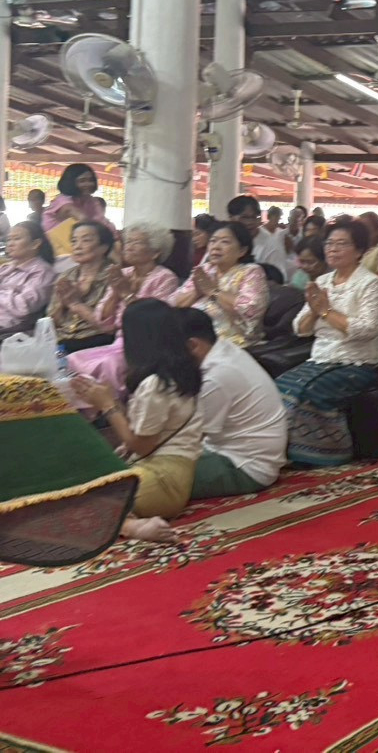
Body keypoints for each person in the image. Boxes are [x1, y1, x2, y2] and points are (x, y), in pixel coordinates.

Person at [75, 300, 204, 542]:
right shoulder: (179, 372)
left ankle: (130, 526)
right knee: (75, 489)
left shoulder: (156, 383)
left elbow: (141, 445)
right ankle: (129, 520)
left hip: (161, 480)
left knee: (73, 502)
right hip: (169, 477)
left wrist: (108, 406)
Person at [274, 221, 378, 466]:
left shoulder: (370, 283)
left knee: (310, 393)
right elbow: (300, 329)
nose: (333, 249)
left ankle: (323, 457)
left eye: (341, 244)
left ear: (359, 250)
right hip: (322, 357)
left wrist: (326, 311)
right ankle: (284, 453)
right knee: (279, 386)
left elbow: (368, 329)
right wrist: (315, 311)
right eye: (329, 244)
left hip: (359, 361)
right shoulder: (323, 282)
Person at [179, 307, 287, 498]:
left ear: (192, 345)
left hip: (243, 467)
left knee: (149, 481)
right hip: (234, 453)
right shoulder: (223, 348)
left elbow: (189, 438)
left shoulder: (216, 375)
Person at [66, 222, 181, 396]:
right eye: (128, 242)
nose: (128, 246)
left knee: (110, 364)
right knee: (73, 359)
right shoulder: (123, 273)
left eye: (137, 242)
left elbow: (152, 320)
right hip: (119, 342)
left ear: (155, 252)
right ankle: (85, 411)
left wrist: (127, 294)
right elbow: (103, 321)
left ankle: (112, 409)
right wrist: (115, 293)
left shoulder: (165, 278)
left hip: (146, 345)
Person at [171, 221, 268, 347]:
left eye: (225, 242)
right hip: (191, 338)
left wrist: (213, 291)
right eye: (213, 241)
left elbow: (250, 310)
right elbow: (174, 303)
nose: (216, 247)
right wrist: (197, 292)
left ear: (242, 250)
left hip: (231, 343)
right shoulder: (205, 270)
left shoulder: (251, 272)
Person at [48, 221, 119, 353]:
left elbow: (109, 327)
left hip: (96, 342)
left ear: (104, 247)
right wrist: (62, 304)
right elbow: (51, 323)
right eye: (74, 241)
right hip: (61, 340)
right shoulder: (66, 276)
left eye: (85, 240)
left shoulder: (114, 277)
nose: (77, 246)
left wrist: (76, 304)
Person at [0, 222, 56, 332]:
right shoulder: (6, 268)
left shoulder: (43, 272)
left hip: (9, 329)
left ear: (35, 244)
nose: (10, 244)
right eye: (9, 239)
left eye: (16, 239)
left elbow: (23, 306)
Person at [227, 194, 290, 277]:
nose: (250, 222)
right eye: (244, 218)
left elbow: (279, 279)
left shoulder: (272, 246)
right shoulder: (224, 238)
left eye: (254, 217)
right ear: (231, 218)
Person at [42, 163, 111, 236]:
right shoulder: (63, 200)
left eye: (91, 180)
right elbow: (83, 219)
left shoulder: (92, 201)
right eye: (82, 181)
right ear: (71, 182)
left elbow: (103, 222)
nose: (88, 184)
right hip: (56, 243)